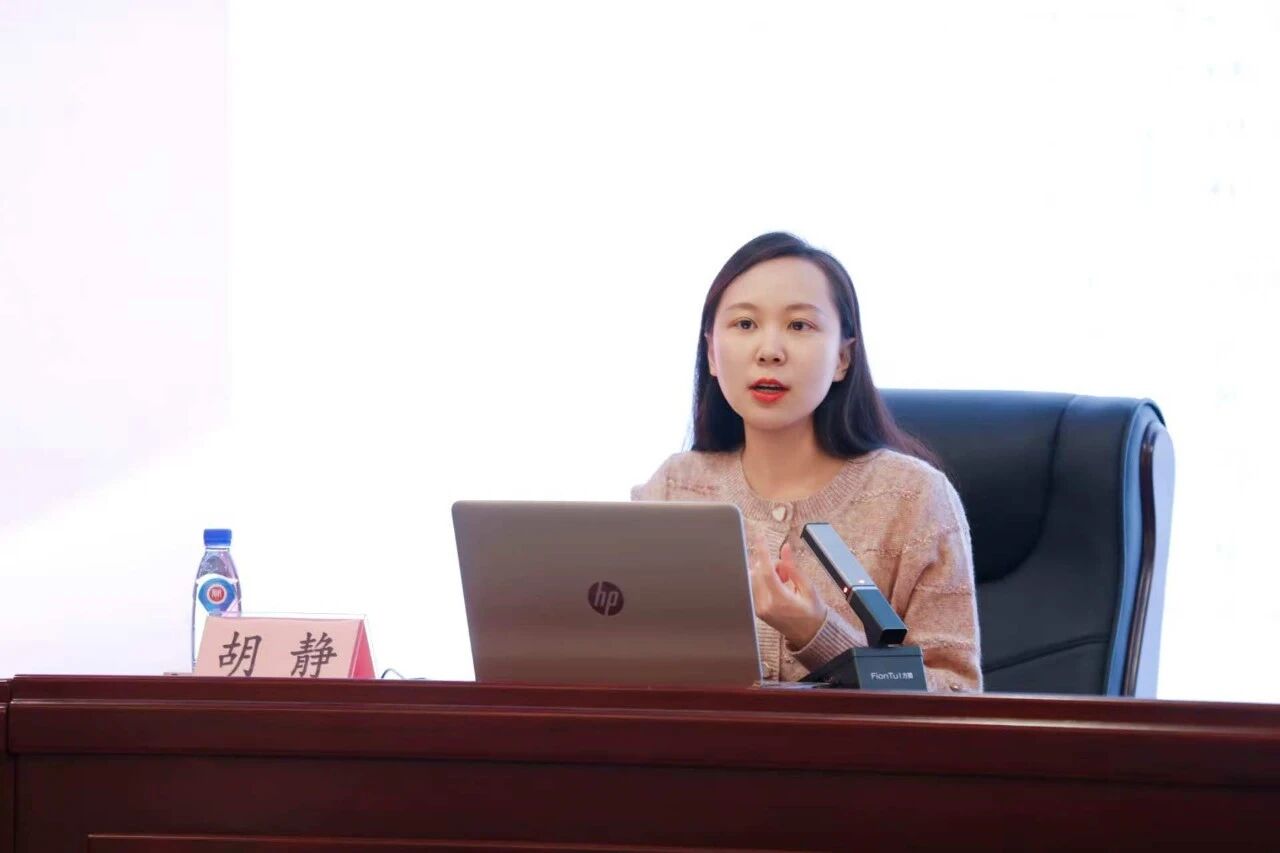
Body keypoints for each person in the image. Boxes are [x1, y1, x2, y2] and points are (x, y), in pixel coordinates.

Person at [632, 232, 982, 692]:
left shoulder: (914, 500)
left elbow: (957, 693)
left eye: (799, 325)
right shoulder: (673, 488)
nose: (769, 350)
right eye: (744, 324)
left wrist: (818, 633)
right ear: (712, 353)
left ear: (843, 358)